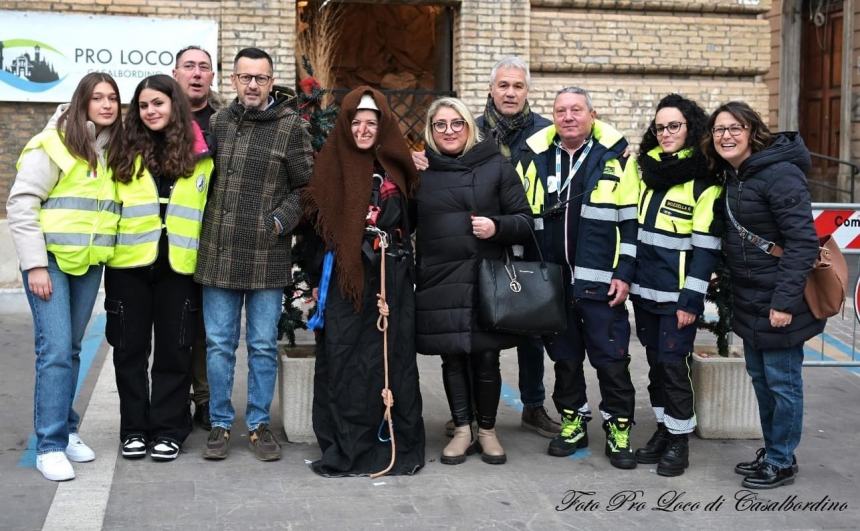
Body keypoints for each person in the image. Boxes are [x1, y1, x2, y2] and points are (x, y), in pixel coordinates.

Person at [413, 57, 559, 438]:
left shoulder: (547, 132)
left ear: (527, 91)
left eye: (518, 86)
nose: (510, 92)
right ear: (491, 90)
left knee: (529, 333)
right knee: (472, 343)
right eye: (503, 86)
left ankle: (533, 404)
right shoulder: (469, 131)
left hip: (529, 241)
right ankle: (468, 414)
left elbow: (583, 140)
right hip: (474, 259)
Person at [196, 47, 313, 462]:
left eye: (260, 78)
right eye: (245, 77)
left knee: (262, 344)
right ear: (232, 80)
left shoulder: (290, 127)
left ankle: (260, 423)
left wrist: (278, 222)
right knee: (219, 344)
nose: (252, 85)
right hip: (218, 250)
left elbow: (307, 187)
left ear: (270, 81)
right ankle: (221, 423)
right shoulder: (218, 123)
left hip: (267, 253)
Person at [7, 72, 122, 480]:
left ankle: (67, 429)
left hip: (88, 263)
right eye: (97, 98)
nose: (106, 105)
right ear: (82, 102)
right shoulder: (52, 142)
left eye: (112, 98)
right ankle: (50, 444)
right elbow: (21, 204)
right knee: (54, 350)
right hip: (50, 261)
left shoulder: (113, 149)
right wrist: (35, 264)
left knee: (71, 349)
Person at [304, 87, 425, 477]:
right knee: (344, 358)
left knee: (394, 360)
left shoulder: (401, 165)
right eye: (355, 122)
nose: (362, 129)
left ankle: (394, 443)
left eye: (371, 123)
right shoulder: (330, 165)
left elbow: (415, 217)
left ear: (383, 125)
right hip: (347, 279)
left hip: (392, 278)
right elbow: (314, 229)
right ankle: (348, 445)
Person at [704, 101, 823, 489]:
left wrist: (783, 304)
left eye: (735, 128)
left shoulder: (780, 175)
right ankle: (773, 450)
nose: (726, 136)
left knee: (783, 384)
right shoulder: (735, 176)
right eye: (720, 130)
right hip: (751, 298)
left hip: (778, 301)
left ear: (753, 132)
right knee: (761, 378)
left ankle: (782, 460)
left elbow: (802, 243)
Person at [524, 86, 640, 469]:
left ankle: (618, 426)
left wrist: (624, 272)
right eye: (560, 111)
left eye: (576, 110)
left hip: (602, 282)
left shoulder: (617, 160)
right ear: (553, 117)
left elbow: (630, 221)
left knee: (611, 360)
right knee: (565, 360)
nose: (568, 117)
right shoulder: (534, 158)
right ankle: (572, 421)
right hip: (553, 282)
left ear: (592, 115)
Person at [414, 97, 532, 465]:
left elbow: (526, 222)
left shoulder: (496, 166)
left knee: (486, 358)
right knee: (451, 358)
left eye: (456, 123)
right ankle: (462, 429)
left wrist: (497, 226)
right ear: (431, 132)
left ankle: (487, 431)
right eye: (440, 125)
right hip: (441, 278)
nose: (448, 131)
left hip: (486, 278)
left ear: (469, 126)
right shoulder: (422, 172)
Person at [105, 74, 214, 461]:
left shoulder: (203, 151)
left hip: (179, 266)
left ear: (175, 106)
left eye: (158, 103)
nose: (150, 111)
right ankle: (134, 428)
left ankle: (169, 429)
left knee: (175, 350)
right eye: (144, 105)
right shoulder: (120, 149)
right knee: (129, 350)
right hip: (128, 264)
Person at [629, 94, 722, 476]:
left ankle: (680, 441)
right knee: (654, 366)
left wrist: (691, 300)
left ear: (691, 128)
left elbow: (705, 252)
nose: (666, 133)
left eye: (674, 126)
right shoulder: (647, 172)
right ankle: (665, 431)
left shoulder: (704, 184)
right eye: (660, 127)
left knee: (672, 367)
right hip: (644, 292)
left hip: (677, 299)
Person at [173, 44, 219, 431]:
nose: (197, 73)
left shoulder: (223, 121)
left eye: (204, 67)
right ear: (176, 74)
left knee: (205, 329)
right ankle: (173, 403)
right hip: (166, 244)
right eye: (189, 66)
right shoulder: (157, 116)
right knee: (174, 326)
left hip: (212, 241)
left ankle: (204, 401)